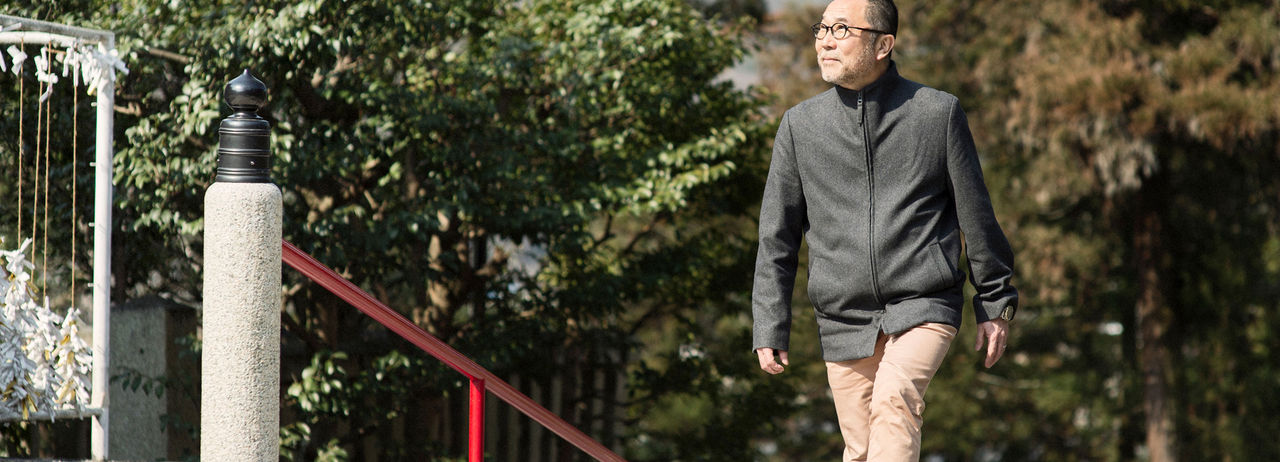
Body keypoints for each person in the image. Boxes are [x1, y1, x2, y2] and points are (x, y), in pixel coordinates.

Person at [751, 0, 1019, 460]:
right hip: (842, 317)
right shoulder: (800, 126)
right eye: (821, 29)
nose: (825, 40)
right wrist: (769, 324)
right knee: (861, 449)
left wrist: (995, 300)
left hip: (924, 301)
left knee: (895, 401)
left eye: (841, 29)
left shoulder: (937, 113)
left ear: (883, 44)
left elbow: (975, 213)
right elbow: (778, 236)